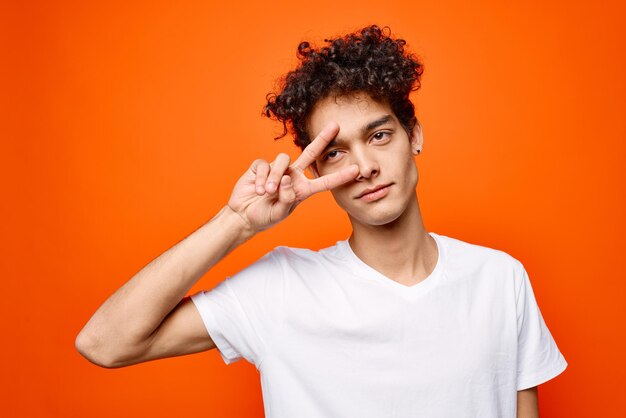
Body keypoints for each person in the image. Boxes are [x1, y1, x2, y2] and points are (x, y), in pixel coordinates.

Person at [76, 25, 567, 417]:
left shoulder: (500, 279)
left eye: (378, 136)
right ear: (315, 171)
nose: (365, 168)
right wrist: (236, 223)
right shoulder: (283, 288)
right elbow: (104, 343)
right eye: (336, 153)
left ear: (413, 134)